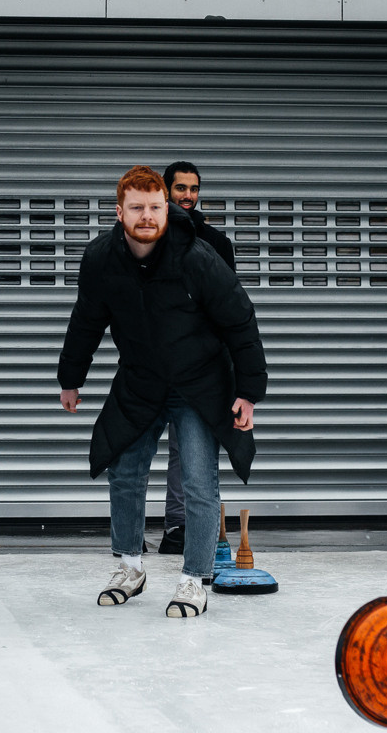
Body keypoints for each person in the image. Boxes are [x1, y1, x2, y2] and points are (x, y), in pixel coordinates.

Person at [58, 165, 266, 618]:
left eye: (155, 207)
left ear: (166, 209)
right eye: (137, 208)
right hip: (141, 379)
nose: (147, 216)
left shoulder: (196, 256)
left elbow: (239, 319)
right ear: (119, 212)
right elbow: (87, 319)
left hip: (199, 382)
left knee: (198, 481)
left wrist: (248, 391)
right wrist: (71, 378)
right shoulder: (101, 259)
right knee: (124, 470)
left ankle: (194, 578)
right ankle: (130, 566)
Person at [156, 161, 236, 555]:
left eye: (193, 188)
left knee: (193, 445)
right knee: (134, 450)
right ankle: (147, 534)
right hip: (154, 360)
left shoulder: (216, 243)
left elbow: (231, 308)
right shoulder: (149, 237)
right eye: (180, 188)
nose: (188, 195)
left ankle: (185, 529)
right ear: (165, 190)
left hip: (201, 362)